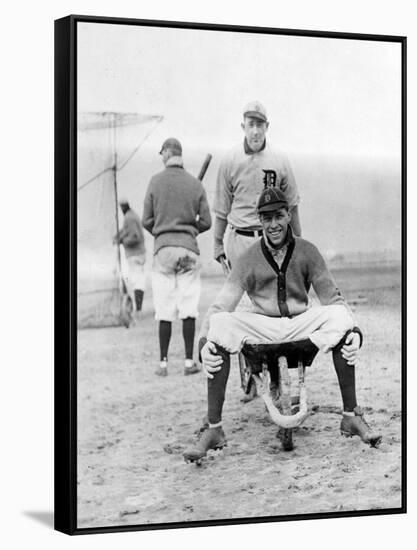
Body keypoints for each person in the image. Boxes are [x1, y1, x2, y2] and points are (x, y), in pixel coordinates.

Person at [183, 187, 381, 462]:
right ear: (260, 221)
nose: (273, 224)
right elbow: (222, 304)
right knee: (218, 324)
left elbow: (333, 297)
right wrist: (204, 344)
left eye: (278, 216)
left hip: (300, 324)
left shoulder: (307, 251)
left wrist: (355, 333)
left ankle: (351, 416)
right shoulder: (249, 257)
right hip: (263, 327)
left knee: (341, 317)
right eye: (266, 218)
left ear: (288, 215)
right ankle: (214, 429)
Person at [142, 137, 212, 376]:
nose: (161, 157)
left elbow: (146, 221)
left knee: (164, 308)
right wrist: (190, 230)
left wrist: (162, 233)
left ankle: (163, 365)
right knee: (188, 308)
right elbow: (207, 222)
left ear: (167, 154)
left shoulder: (154, 181)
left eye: (162, 153)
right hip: (188, 251)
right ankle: (188, 363)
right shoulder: (195, 184)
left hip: (163, 251)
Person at [214, 100, 301, 269]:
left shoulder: (280, 159)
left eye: (259, 125)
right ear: (243, 126)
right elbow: (221, 208)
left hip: (273, 239)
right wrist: (217, 244)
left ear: (267, 126)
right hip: (239, 240)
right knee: (241, 294)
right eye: (251, 124)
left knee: (274, 294)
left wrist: (298, 242)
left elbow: (292, 205)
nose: (255, 131)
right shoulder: (229, 160)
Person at [114, 198, 146, 314]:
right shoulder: (131, 215)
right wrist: (119, 236)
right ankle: (137, 307)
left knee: (136, 281)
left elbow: (135, 237)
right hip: (138, 253)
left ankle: (138, 308)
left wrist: (122, 241)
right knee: (137, 279)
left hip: (135, 254)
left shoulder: (129, 217)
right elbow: (127, 231)